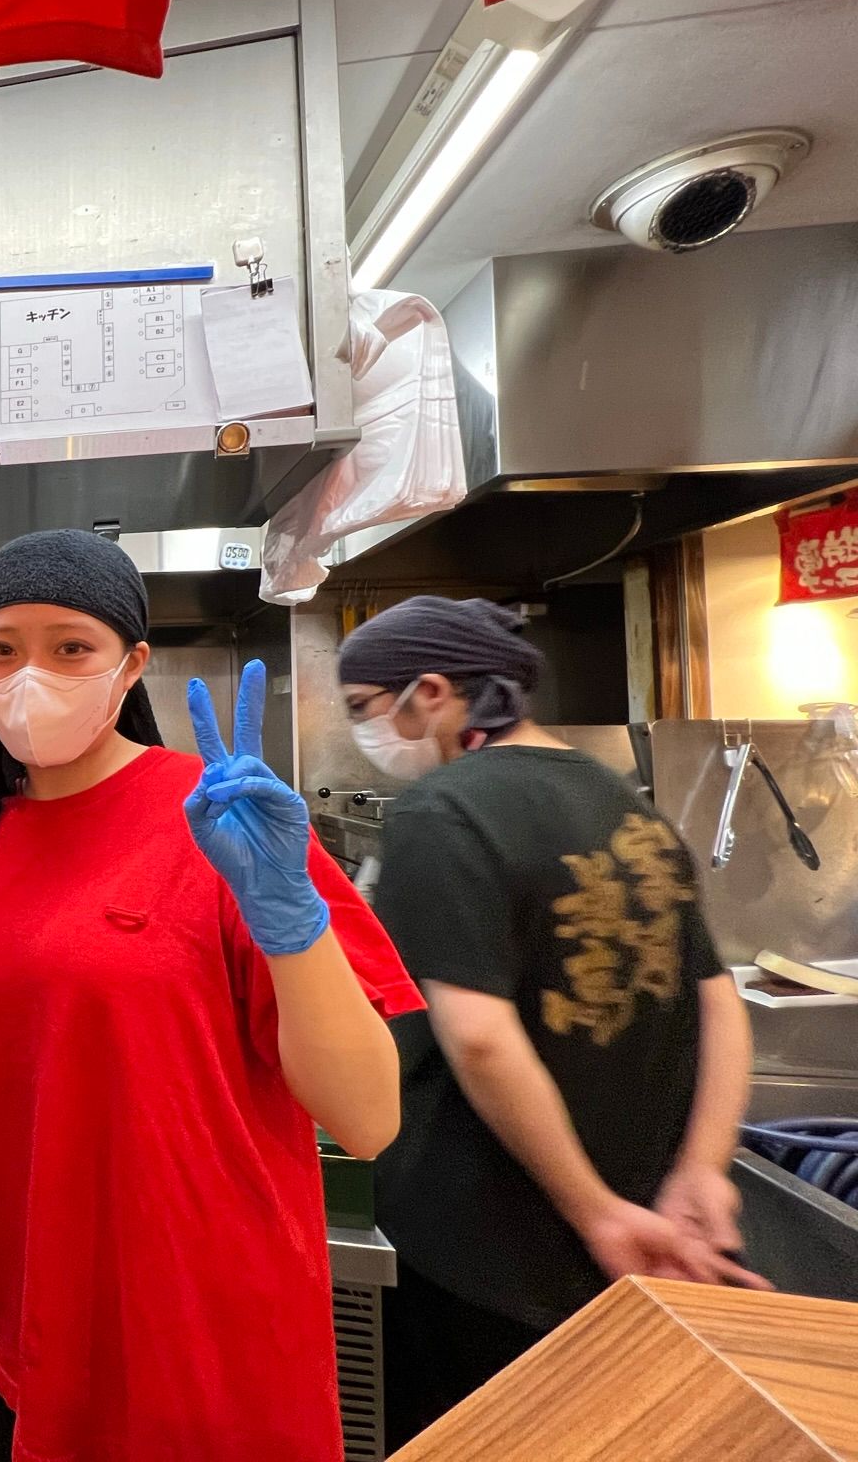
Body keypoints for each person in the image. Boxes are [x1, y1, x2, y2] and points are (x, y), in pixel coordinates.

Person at [0, 530, 423, 1462]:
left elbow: (368, 1118)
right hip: (38, 1347)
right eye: (2, 649)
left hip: (209, 1361)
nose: (30, 676)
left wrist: (292, 918)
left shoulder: (224, 819)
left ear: (132, 664)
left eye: (70, 646)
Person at [336, 595, 767, 1445]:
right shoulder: (628, 803)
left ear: (430, 693)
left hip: (487, 1253)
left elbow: (480, 1036)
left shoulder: (443, 811)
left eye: (364, 709)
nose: (368, 731)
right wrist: (702, 1172)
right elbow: (720, 1004)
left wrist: (593, 1209)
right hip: (628, 1239)